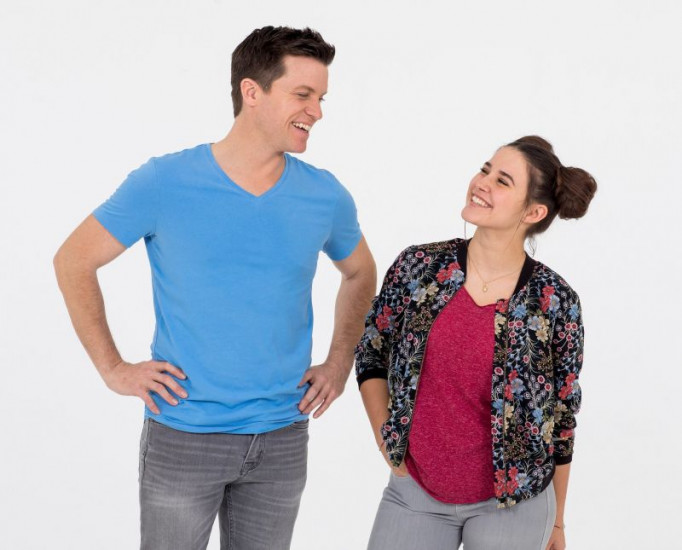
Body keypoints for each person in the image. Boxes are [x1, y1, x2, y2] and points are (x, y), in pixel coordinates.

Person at [54, 26, 376, 550]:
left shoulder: (325, 195)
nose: (316, 111)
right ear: (252, 92)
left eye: (321, 98)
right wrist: (114, 369)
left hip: (282, 436)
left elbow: (361, 272)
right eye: (303, 94)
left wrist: (339, 362)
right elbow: (73, 260)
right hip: (184, 434)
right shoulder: (164, 182)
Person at [355, 136, 596, 550]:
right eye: (485, 169)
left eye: (502, 180)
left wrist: (557, 522)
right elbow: (372, 350)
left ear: (533, 212)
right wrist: (387, 440)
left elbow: (562, 416)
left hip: (515, 504)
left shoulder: (554, 301)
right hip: (415, 491)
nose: (482, 182)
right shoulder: (419, 266)